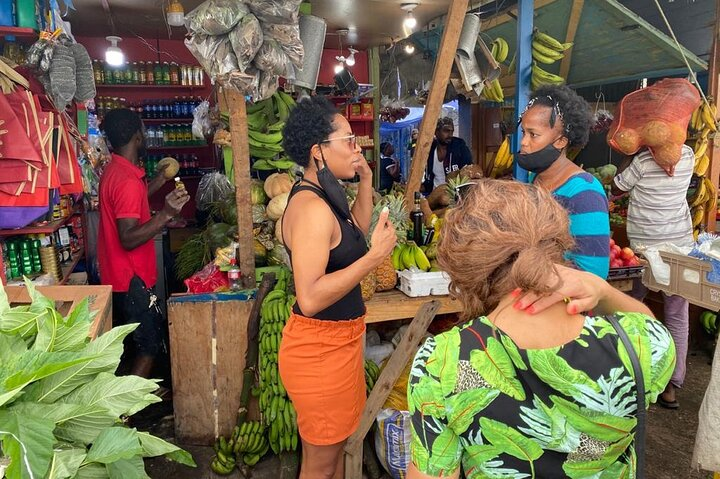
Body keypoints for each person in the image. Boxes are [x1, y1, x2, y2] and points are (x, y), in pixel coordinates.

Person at [406, 179, 676, 479]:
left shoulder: (441, 363)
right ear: (559, 239)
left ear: (464, 263)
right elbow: (649, 325)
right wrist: (604, 291)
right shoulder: (638, 345)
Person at [278, 96, 397, 479]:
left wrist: (365, 179)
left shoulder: (327, 196)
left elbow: (355, 232)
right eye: (347, 140)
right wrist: (373, 259)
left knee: (334, 454)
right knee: (321, 466)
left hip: (339, 345)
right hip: (319, 352)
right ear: (318, 152)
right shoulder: (311, 208)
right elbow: (310, 298)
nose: (356, 147)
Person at [98, 108, 189, 379]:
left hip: (119, 275)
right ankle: (126, 411)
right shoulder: (125, 180)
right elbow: (127, 238)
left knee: (134, 344)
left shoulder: (118, 170)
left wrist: (160, 181)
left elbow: (132, 203)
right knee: (148, 346)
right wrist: (166, 214)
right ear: (138, 135)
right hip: (131, 278)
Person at [611, 142, 695, 409]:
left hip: (644, 250)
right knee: (677, 314)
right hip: (679, 248)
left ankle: (635, 374)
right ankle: (671, 385)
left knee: (634, 308)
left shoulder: (643, 161)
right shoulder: (688, 155)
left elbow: (617, 187)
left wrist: (631, 153)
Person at [518, 85, 610, 279]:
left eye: (533, 134)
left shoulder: (584, 192)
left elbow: (593, 276)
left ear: (561, 141)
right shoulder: (535, 179)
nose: (524, 142)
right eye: (523, 132)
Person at [422, 117, 473, 192]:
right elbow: (428, 182)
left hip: (454, 195)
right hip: (434, 196)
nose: (450, 135)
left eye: (451, 131)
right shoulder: (430, 150)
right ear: (436, 132)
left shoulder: (459, 147)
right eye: (446, 131)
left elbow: (469, 170)